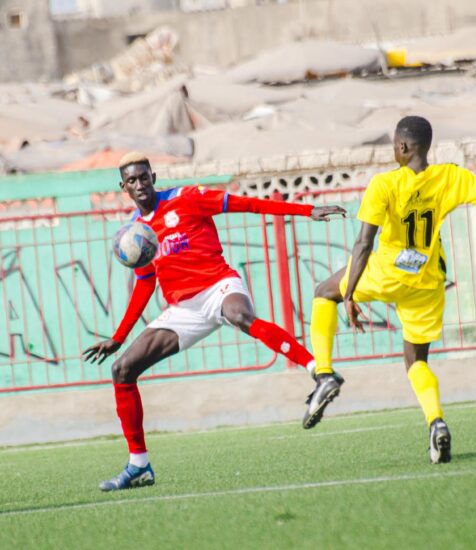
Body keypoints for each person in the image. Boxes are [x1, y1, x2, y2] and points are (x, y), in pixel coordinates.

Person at [83, 152, 346, 491]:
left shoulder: (188, 198)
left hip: (218, 285)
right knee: (122, 370)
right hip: (184, 309)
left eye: (144, 177)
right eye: (132, 180)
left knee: (240, 315)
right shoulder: (137, 233)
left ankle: (321, 374)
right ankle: (139, 465)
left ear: (153, 177)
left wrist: (307, 210)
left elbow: (247, 204)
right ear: (124, 187)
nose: (140, 184)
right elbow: (146, 283)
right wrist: (119, 337)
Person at [305, 115, 476, 463]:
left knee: (322, 291)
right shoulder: (451, 177)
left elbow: (363, 244)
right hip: (427, 281)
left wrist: (349, 294)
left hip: (387, 272)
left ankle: (324, 374)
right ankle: (436, 422)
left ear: (403, 146)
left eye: (394, 145)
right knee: (416, 361)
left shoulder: (384, 184)